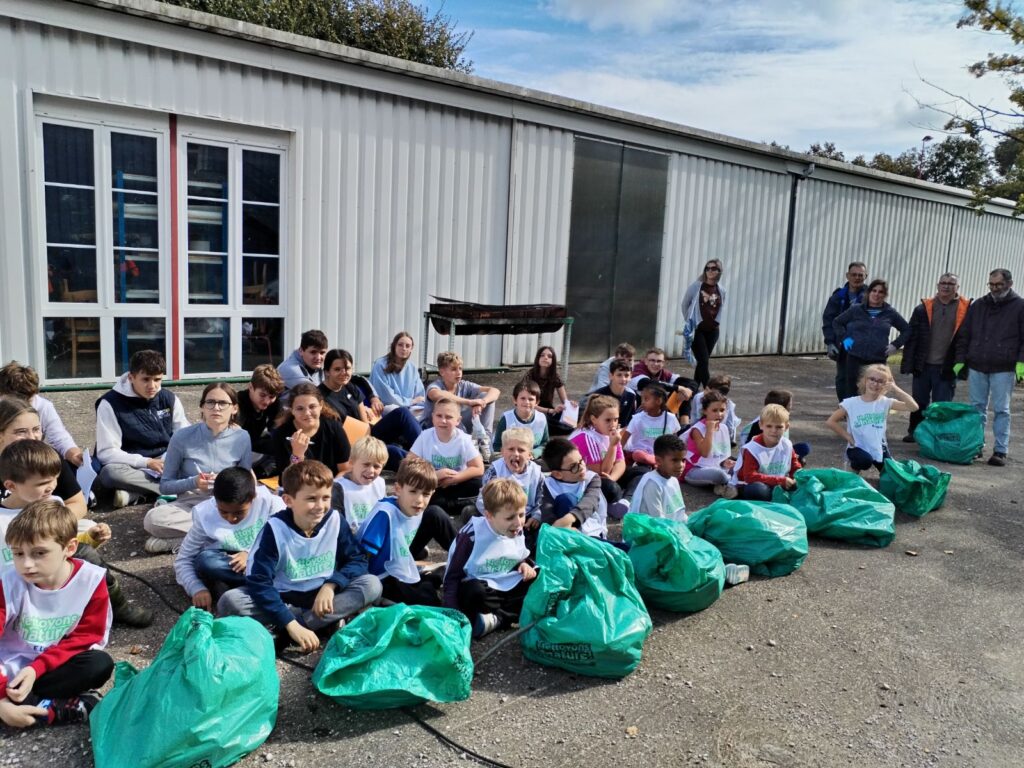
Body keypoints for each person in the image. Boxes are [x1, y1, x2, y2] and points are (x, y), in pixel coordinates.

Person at [218, 460, 382, 654]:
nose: (320, 506)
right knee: (230, 602)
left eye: (325, 498)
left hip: (322, 595)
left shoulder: (335, 519)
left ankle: (289, 630)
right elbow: (259, 581)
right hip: (284, 596)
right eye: (311, 499)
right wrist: (290, 622)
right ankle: (313, 624)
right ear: (288, 500)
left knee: (372, 584)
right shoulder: (275, 529)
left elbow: (357, 559)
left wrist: (331, 586)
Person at [0, 442, 150, 628]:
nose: (51, 487)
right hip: (14, 590)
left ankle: (116, 605)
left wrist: (89, 538)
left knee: (88, 557)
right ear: (11, 486)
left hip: (52, 578)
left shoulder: (52, 503)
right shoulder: (2, 519)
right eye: (42, 484)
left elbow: (60, 546)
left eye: (54, 479)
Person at [0, 500, 113, 728]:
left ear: (69, 548)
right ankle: (46, 710)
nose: (26, 564)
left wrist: (35, 669)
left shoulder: (89, 580)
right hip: (6, 668)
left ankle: (26, 708)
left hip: (49, 668)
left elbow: (86, 637)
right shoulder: (8, 583)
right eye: (18, 553)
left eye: (39, 553)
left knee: (98, 664)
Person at [143, 383, 252, 555]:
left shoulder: (242, 437)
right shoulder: (182, 437)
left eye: (223, 403)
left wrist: (227, 483)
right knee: (153, 519)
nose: (216, 407)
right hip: (191, 505)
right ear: (202, 406)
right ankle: (222, 539)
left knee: (262, 511)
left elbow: (245, 482)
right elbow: (165, 485)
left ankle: (184, 542)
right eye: (210, 402)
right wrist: (194, 482)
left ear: (234, 409)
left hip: (226, 505)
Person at [173, 467, 285, 611]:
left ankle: (236, 585)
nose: (231, 518)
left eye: (239, 512)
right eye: (223, 512)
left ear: (253, 498)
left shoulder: (270, 503)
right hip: (231, 562)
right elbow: (184, 559)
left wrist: (252, 555)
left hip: (264, 559)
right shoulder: (205, 514)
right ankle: (262, 584)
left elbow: (286, 542)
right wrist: (196, 588)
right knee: (206, 560)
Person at [443, 478, 536, 639]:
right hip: (479, 586)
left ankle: (497, 618)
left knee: (538, 579)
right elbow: (452, 578)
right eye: (510, 518)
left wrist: (524, 564)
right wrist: (453, 616)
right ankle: (505, 617)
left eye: (521, 514)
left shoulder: (516, 528)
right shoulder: (471, 536)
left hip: (502, 583)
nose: (518, 522)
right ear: (489, 516)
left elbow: (518, 555)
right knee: (474, 592)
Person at [357, 457, 457, 606]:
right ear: (398, 489)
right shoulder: (385, 514)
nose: (419, 500)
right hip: (381, 575)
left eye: (426, 494)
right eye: (413, 491)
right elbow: (363, 556)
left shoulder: (414, 507)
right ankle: (430, 578)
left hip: (399, 560)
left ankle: (464, 561)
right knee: (429, 600)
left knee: (435, 513)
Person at [94, 349, 188, 508]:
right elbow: (106, 453)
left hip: (167, 461)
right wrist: (147, 462)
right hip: (133, 465)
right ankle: (180, 489)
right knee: (110, 474)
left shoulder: (169, 398)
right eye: (146, 379)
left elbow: (185, 435)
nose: (152, 386)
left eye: (157, 379)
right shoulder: (109, 403)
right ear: (131, 377)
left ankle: (135, 494)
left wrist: (171, 459)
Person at [953, 268, 1024, 467]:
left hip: (1004, 366)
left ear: (1009, 284)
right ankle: (976, 446)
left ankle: (1000, 450)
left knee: (1002, 409)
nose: (994, 288)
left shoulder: (1019, 306)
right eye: (991, 284)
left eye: (998, 285)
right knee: (977, 409)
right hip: (978, 364)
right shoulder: (978, 306)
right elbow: (964, 333)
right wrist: (961, 359)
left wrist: (1021, 362)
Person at [319, 349, 421, 471]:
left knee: (402, 413)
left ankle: (428, 453)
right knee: (392, 451)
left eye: (347, 369)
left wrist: (370, 441)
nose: (344, 373)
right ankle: (424, 470)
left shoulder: (350, 387)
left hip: (364, 436)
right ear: (327, 372)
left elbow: (365, 424)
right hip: (347, 447)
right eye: (337, 369)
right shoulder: (319, 397)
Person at [900, 273, 971, 442]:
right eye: (943, 283)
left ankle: (937, 436)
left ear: (957, 288)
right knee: (918, 402)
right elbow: (912, 336)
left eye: (951, 283)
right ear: (937, 285)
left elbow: (965, 339)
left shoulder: (966, 309)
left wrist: (961, 363)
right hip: (923, 364)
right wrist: (908, 362)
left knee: (942, 405)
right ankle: (915, 431)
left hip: (947, 366)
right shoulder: (923, 308)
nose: (946, 286)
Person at [0, 400, 87, 521]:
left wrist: (47, 525)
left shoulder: (47, 457)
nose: (32, 437)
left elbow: (78, 504)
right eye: (21, 431)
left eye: (36, 429)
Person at [826, 364, 918, 474]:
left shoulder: (885, 402)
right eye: (872, 379)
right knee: (865, 461)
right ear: (865, 380)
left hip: (878, 448)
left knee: (892, 475)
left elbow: (913, 407)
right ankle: (853, 466)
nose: (875, 384)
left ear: (886, 384)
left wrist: (895, 388)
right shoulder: (852, 403)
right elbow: (831, 421)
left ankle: (881, 462)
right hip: (858, 447)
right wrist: (849, 438)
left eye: (880, 381)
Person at [832, 279, 910, 402]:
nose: (877, 294)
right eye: (874, 290)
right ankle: (850, 415)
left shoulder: (890, 313)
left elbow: (907, 330)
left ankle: (869, 417)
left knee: (874, 390)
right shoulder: (856, 309)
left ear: (885, 295)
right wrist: (845, 339)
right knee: (851, 389)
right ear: (869, 292)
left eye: (881, 292)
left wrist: (895, 345)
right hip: (855, 357)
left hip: (877, 359)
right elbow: (837, 322)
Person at [408, 397, 485, 516]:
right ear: (433, 417)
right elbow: (408, 465)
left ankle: (450, 506)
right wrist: (434, 476)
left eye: (448, 417)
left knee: (478, 482)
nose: (443, 421)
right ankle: (460, 506)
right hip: (434, 485)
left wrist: (456, 478)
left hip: (457, 483)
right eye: (439, 416)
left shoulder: (463, 439)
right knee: (418, 489)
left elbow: (478, 468)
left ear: (458, 420)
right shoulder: (425, 437)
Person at [0, 361, 83, 467]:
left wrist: (74, 454)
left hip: (30, 460)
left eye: (28, 400)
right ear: (2, 394)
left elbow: (60, 437)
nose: (22, 405)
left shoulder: (43, 405)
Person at [421, 352, 500, 456]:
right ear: (442, 372)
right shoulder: (435, 386)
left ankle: (485, 442)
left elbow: (495, 390)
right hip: (437, 430)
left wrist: (482, 402)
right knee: (452, 412)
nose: (458, 373)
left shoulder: (464, 385)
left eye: (460, 368)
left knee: (486, 397)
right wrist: (470, 402)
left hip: (459, 426)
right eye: (454, 369)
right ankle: (469, 446)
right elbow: (437, 394)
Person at [475, 428, 544, 547]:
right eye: (511, 449)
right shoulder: (495, 471)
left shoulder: (536, 472)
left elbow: (542, 498)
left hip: (526, 517)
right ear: (502, 451)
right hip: (501, 517)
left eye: (521, 450)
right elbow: (483, 501)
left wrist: (537, 516)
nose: (516, 454)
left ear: (529, 454)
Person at [270, 383, 352, 482]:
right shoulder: (281, 434)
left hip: (331, 486)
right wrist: (297, 454)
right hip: (298, 489)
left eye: (312, 407)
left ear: (321, 405)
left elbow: (345, 469)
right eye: (300, 408)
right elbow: (288, 480)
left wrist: (328, 490)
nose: (307, 413)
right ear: (292, 410)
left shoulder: (334, 428)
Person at [538, 437, 612, 546]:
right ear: (558, 474)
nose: (582, 467)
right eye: (574, 467)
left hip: (592, 532)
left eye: (581, 460)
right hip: (565, 534)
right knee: (566, 499)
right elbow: (546, 512)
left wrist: (570, 518)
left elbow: (590, 502)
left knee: (623, 552)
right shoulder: (548, 485)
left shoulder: (592, 479)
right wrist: (558, 528)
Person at [568, 395, 630, 520]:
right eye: (608, 420)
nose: (613, 424)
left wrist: (612, 478)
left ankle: (624, 502)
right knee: (610, 488)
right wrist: (612, 445)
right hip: (584, 482)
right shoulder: (586, 437)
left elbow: (620, 462)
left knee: (641, 473)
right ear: (594, 419)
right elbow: (601, 472)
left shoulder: (610, 434)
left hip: (607, 478)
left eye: (616, 420)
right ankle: (612, 503)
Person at [730, 405, 801, 501]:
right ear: (761, 425)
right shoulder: (752, 449)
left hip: (776, 483)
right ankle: (733, 490)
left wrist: (797, 477)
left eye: (779, 427)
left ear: (786, 427)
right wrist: (780, 481)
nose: (774, 431)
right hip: (750, 484)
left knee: (802, 484)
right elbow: (750, 477)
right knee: (758, 490)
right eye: (769, 426)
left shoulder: (787, 444)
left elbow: (795, 466)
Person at [823, 262, 869, 401]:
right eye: (854, 275)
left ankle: (860, 408)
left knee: (863, 379)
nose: (857, 278)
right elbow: (829, 320)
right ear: (847, 276)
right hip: (844, 344)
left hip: (863, 345)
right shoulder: (838, 297)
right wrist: (830, 342)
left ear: (865, 276)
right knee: (843, 377)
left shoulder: (871, 296)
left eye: (860, 275)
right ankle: (845, 407)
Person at [681, 259, 728, 388]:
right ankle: (710, 391)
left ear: (719, 271)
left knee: (702, 363)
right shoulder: (696, 286)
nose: (710, 271)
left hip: (713, 331)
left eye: (713, 268)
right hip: (697, 330)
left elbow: (719, 308)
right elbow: (685, 304)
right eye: (707, 268)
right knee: (703, 361)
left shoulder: (721, 290)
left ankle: (694, 389)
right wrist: (689, 321)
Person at [682, 389, 735, 497]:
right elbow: (705, 453)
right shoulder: (698, 429)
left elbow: (720, 455)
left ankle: (725, 486)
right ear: (705, 411)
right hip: (694, 470)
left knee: (740, 465)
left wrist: (725, 462)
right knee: (720, 475)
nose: (719, 414)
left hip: (716, 467)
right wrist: (710, 430)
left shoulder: (723, 428)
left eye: (722, 410)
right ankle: (731, 484)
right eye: (714, 410)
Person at [236, 364, 285, 478]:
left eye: (271, 396)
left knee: (285, 446)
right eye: (262, 395)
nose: (266, 401)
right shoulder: (238, 403)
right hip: (237, 447)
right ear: (251, 387)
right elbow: (233, 439)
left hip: (255, 444)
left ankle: (258, 473)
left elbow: (280, 431)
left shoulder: (275, 403)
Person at [627, 434, 688, 522]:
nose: (680, 465)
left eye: (683, 460)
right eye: (675, 460)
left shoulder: (673, 479)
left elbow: (679, 511)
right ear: (658, 460)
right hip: (648, 532)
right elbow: (658, 522)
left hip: (669, 528)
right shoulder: (652, 484)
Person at [333, 436, 387, 534]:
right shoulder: (338, 488)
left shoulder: (379, 483)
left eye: (376, 466)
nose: (371, 471)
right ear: (352, 462)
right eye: (366, 464)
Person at [621, 381, 681, 468]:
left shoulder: (671, 418)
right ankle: (657, 463)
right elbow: (624, 440)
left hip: (661, 455)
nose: (642, 402)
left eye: (646, 399)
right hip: (642, 455)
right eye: (642, 399)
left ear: (658, 401)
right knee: (638, 454)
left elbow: (675, 440)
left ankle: (658, 462)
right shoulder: (637, 418)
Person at [741, 390, 811, 463]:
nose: (773, 430)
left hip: (776, 451)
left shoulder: (781, 422)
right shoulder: (761, 424)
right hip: (764, 456)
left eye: (779, 427)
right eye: (789, 405)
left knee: (804, 447)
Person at [630, 348, 696, 423]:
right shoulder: (637, 370)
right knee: (677, 390)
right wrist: (679, 388)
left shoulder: (663, 373)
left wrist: (688, 390)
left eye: (659, 361)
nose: (655, 364)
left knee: (684, 391)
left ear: (663, 363)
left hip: (655, 409)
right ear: (646, 361)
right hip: (636, 412)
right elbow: (649, 384)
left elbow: (691, 382)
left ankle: (684, 423)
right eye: (652, 360)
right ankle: (679, 423)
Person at [370, 331, 426, 419]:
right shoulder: (380, 364)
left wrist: (417, 403)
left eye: (408, 346)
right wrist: (410, 401)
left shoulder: (412, 367)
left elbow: (420, 395)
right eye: (400, 345)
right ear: (394, 346)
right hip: (388, 407)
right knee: (398, 411)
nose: (404, 348)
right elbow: (386, 397)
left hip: (410, 407)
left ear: (411, 348)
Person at [522, 346, 575, 436]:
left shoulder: (554, 376)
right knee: (543, 419)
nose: (545, 358)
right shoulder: (530, 375)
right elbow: (528, 403)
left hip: (549, 411)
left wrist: (571, 406)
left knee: (575, 414)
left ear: (552, 361)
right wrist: (550, 411)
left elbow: (565, 401)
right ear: (538, 358)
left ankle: (567, 428)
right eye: (542, 355)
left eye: (549, 356)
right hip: (532, 409)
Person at [491, 379, 548, 459]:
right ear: (515, 400)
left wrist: (534, 453)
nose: (527, 402)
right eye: (523, 398)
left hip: (531, 458)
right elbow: (497, 445)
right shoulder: (507, 419)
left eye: (531, 399)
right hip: (509, 458)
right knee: (495, 458)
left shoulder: (541, 419)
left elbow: (545, 444)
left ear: (537, 402)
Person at [689, 375, 741, 445]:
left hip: (718, 434)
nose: (719, 414)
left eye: (722, 410)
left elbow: (730, 425)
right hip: (700, 432)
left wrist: (728, 439)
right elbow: (694, 417)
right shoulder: (698, 397)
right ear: (707, 389)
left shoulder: (728, 404)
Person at [589, 359, 639, 428]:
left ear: (630, 377)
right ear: (611, 376)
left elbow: (629, 422)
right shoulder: (599, 395)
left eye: (626, 375)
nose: (623, 379)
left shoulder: (631, 396)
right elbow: (591, 420)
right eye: (619, 375)